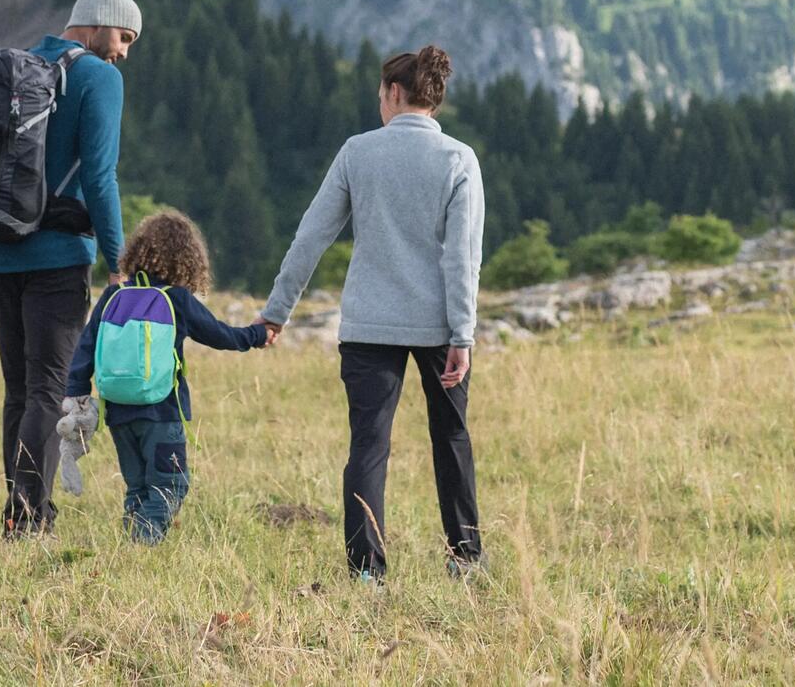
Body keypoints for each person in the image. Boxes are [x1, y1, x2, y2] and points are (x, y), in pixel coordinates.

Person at [259, 45, 487, 580]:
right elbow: (462, 257)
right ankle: (465, 561)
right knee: (451, 438)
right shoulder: (459, 159)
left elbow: (311, 236)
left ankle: (367, 571)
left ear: (393, 92)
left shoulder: (357, 152)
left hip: (368, 325)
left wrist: (277, 311)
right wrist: (463, 333)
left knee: (369, 444)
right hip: (438, 327)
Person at [0, 0, 140, 537]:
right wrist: (118, 262)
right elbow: (100, 176)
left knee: (19, 390)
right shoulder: (98, 77)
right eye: (125, 36)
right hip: (59, 256)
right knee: (49, 391)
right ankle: (28, 517)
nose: (125, 51)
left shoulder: (8, 72)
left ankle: (21, 507)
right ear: (98, 22)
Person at [64, 211, 274, 543]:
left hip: (117, 411)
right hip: (161, 412)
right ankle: (143, 543)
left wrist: (75, 394)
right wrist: (258, 336)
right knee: (171, 485)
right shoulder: (176, 299)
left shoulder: (112, 296)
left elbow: (85, 347)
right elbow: (220, 335)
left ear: (136, 252)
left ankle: (132, 553)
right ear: (187, 259)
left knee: (138, 487)